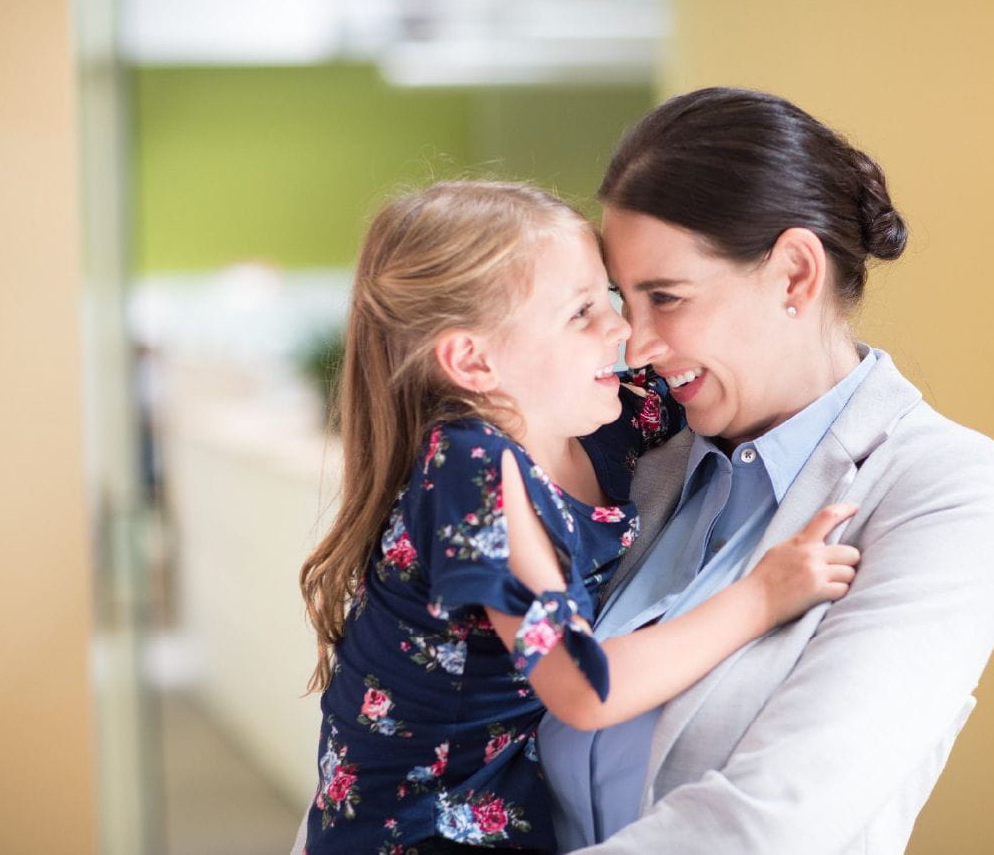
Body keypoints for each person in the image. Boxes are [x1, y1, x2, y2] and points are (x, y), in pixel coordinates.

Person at [295, 181, 861, 854]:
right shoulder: (470, 470)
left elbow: (751, 374)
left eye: (612, 299)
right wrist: (761, 595)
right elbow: (581, 684)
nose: (623, 329)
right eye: (581, 313)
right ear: (473, 359)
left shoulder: (606, 419)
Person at [537, 88, 994, 854]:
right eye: (619, 302)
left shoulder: (947, 491)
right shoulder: (632, 459)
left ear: (796, 274)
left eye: (664, 297)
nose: (632, 346)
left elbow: (773, 824)